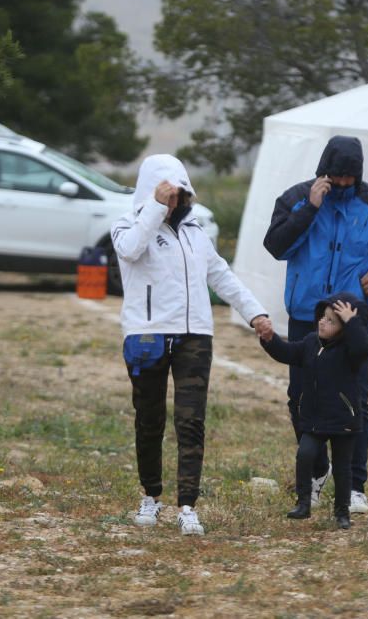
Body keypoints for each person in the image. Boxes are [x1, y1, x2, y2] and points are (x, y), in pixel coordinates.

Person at [112, 154, 272, 536]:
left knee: (191, 420)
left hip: (195, 336)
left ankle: (188, 505)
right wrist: (154, 206)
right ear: (150, 191)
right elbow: (131, 249)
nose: (174, 202)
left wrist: (256, 314)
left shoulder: (197, 232)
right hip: (146, 334)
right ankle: (150, 496)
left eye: (179, 195)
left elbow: (222, 276)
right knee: (149, 419)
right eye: (167, 193)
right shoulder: (128, 224)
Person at [263, 135, 368, 515]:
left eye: (350, 178)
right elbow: (276, 246)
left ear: (358, 175)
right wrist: (309, 209)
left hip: (353, 319)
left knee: (355, 399)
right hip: (306, 316)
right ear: (323, 172)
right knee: (300, 396)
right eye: (337, 177)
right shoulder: (296, 198)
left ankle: (356, 486)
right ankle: (317, 473)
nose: (343, 184)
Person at [257, 292, 368, 529]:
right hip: (315, 420)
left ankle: (342, 513)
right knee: (305, 455)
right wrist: (270, 339)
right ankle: (303, 503)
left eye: (331, 320)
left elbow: (364, 348)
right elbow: (287, 352)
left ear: (343, 329)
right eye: (322, 317)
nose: (322, 322)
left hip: (344, 421)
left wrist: (352, 322)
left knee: (343, 469)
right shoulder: (310, 343)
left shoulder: (350, 352)